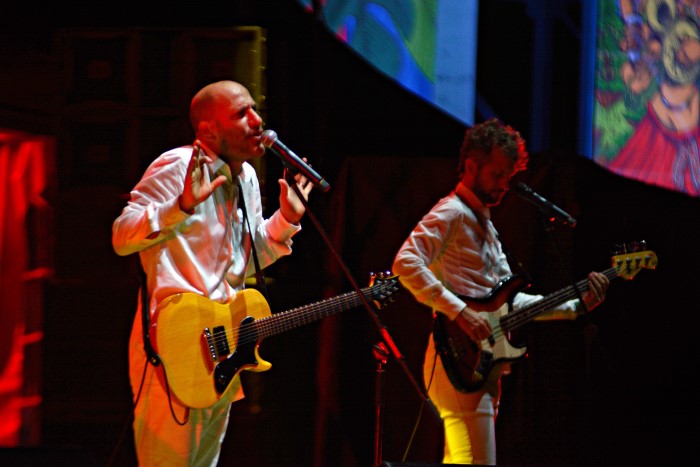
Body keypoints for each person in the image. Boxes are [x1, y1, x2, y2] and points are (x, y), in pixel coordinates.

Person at [112, 80, 313, 466]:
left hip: (219, 346)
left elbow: (245, 260)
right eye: (241, 113)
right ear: (207, 130)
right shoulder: (177, 166)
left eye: (255, 109)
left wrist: (286, 219)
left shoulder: (247, 176)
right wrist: (180, 205)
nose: (257, 120)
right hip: (173, 343)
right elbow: (122, 236)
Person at [391, 118, 610, 465]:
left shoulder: (485, 225)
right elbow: (405, 263)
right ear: (471, 167)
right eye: (497, 175)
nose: (505, 185)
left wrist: (576, 306)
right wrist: (460, 312)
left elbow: (512, 303)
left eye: (508, 176)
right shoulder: (451, 212)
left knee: (462, 459)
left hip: (480, 363)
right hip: (457, 358)